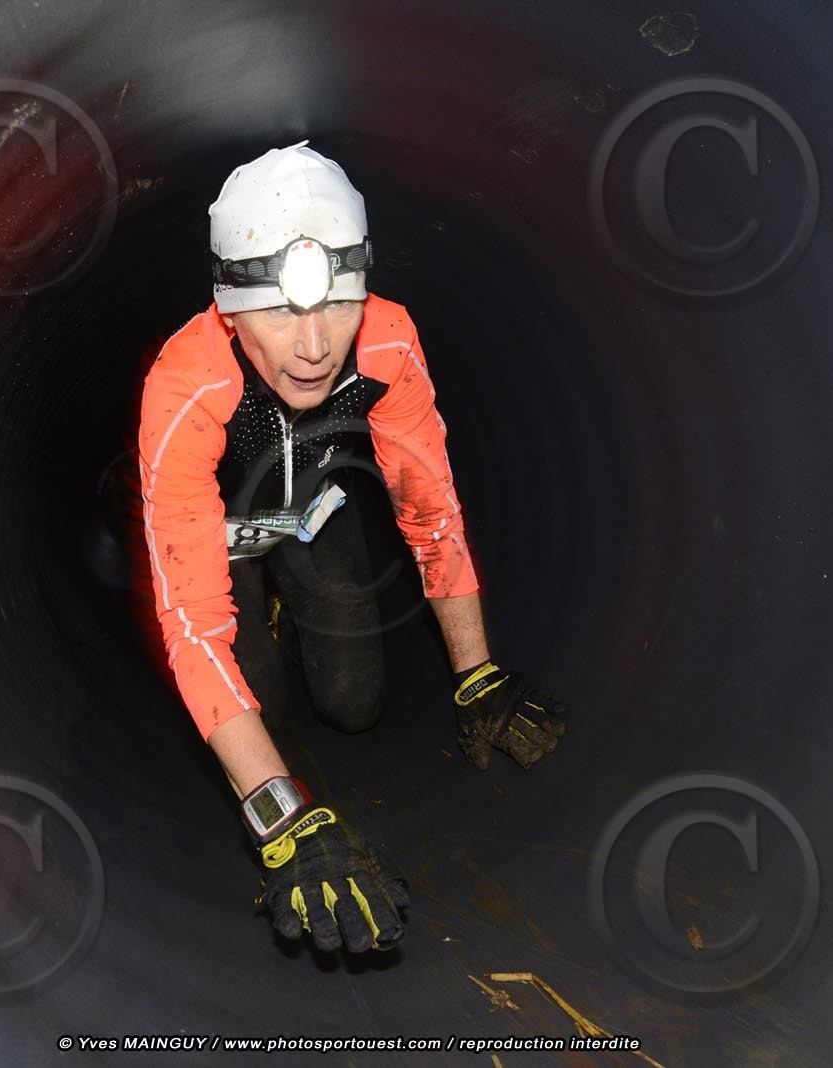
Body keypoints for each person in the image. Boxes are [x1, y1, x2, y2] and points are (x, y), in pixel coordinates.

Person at [132, 142, 568, 955]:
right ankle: (266, 613)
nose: (315, 346)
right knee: (257, 708)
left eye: (338, 306)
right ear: (229, 309)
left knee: (354, 706)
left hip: (315, 513)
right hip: (222, 539)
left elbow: (428, 505)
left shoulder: (388, 341)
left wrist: (476, 674)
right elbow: (190, 620)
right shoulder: (187, 382)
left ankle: (297, 607)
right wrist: (280, 818)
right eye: (280, 313)